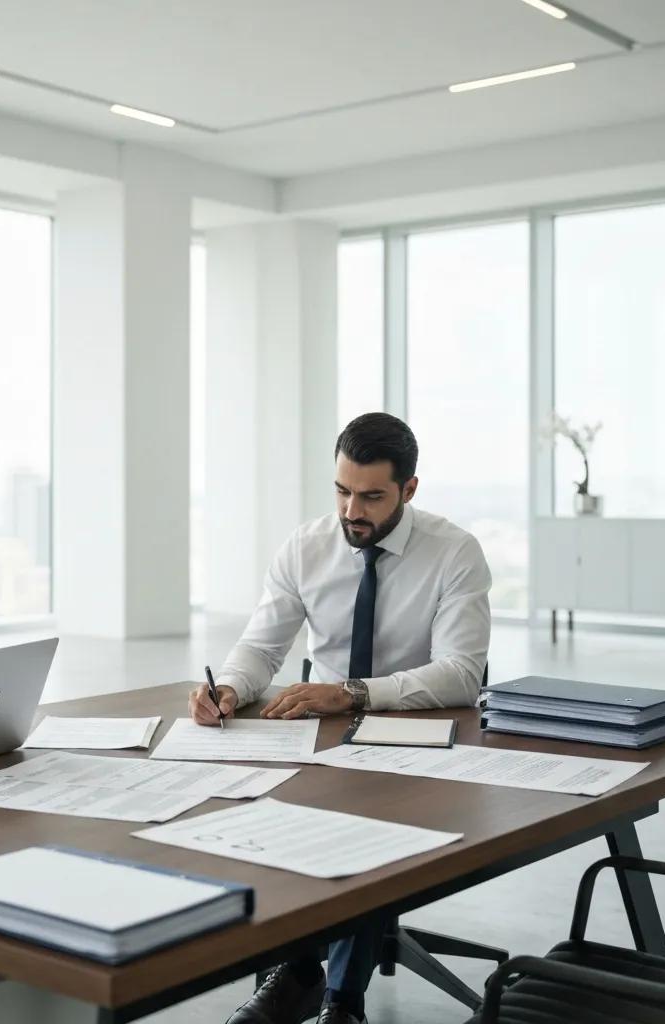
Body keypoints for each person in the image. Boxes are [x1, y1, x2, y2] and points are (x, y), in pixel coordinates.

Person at [188, 412, 491, 1024]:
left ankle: (336, 1000)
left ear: (408, 490)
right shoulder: (306, 547)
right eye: (342, 490)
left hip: (421, 737)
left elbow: (462, 673)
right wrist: (233, 687)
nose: (353, 509)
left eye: (372, 496)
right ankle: (298, 971)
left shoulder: (455, 552)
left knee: (365, 819)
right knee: (268, 810)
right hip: (321, 734)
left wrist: (354, 693)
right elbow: (261, 647)